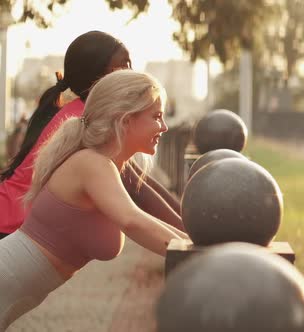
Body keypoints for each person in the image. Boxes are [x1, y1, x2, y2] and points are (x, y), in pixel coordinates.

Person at [0, 69, 188, 330]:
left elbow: (145, 214)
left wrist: (193, 244)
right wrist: (195, 251)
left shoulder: (104, 165)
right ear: (125, 119)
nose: (164, 126)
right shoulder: (92, 164)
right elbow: (134, 221)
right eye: (156, 116)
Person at [0, 31, 183, 240]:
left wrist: (188, 223)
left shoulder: (81, 111)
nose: (130, 72)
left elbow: (141, 181)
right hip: (8, 226)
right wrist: (193, 235)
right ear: (99, 76)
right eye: (123, 66)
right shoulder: (91, 119)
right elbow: (138, 190)